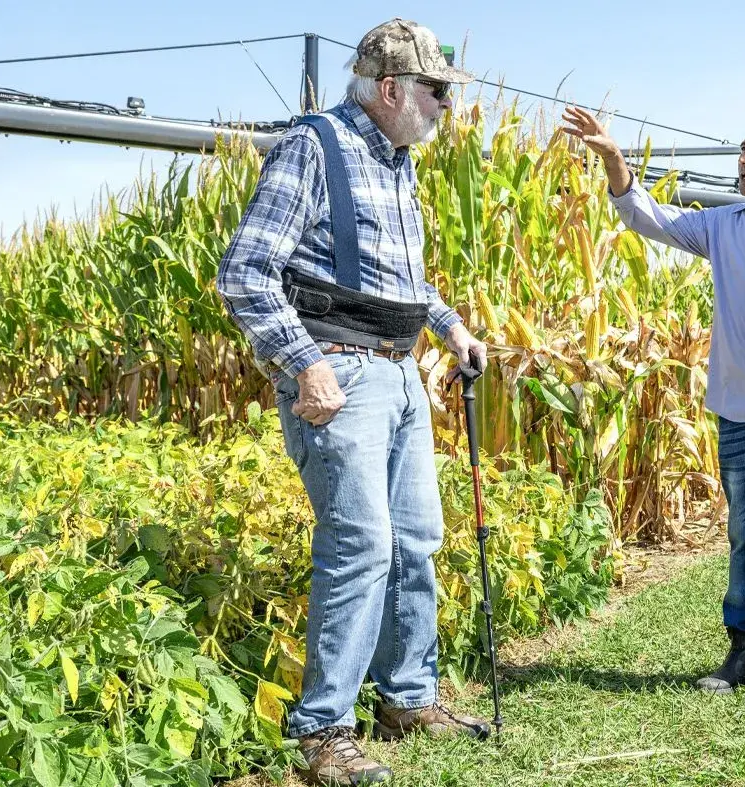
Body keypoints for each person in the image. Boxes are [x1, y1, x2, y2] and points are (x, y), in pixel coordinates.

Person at [218, 18, 490, 786]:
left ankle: (408, 697)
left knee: (416, 540)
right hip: (340, 375)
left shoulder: (397, 162)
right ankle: (324, 730)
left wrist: (451, 326)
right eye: (437, 90)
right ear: (393, 89)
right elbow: (244, 271)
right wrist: (302, 362)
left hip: (401, 374)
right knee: (361, 544)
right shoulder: (316, 147)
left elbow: (399, 280)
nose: (445, 105)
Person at [561, 107, 745, 701]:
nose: (743, 161)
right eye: (743, 151)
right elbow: (653, 219)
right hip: (740, 410)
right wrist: (614, 161)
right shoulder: (724, 225)